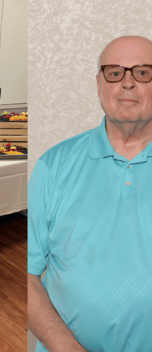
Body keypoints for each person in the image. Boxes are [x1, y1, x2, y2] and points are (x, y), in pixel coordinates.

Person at [28, 35, 152, 352]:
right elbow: (25, 277)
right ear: (99, 84)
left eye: (142, 72)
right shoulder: (53, 167)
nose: (127, 83)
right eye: (114, 72)